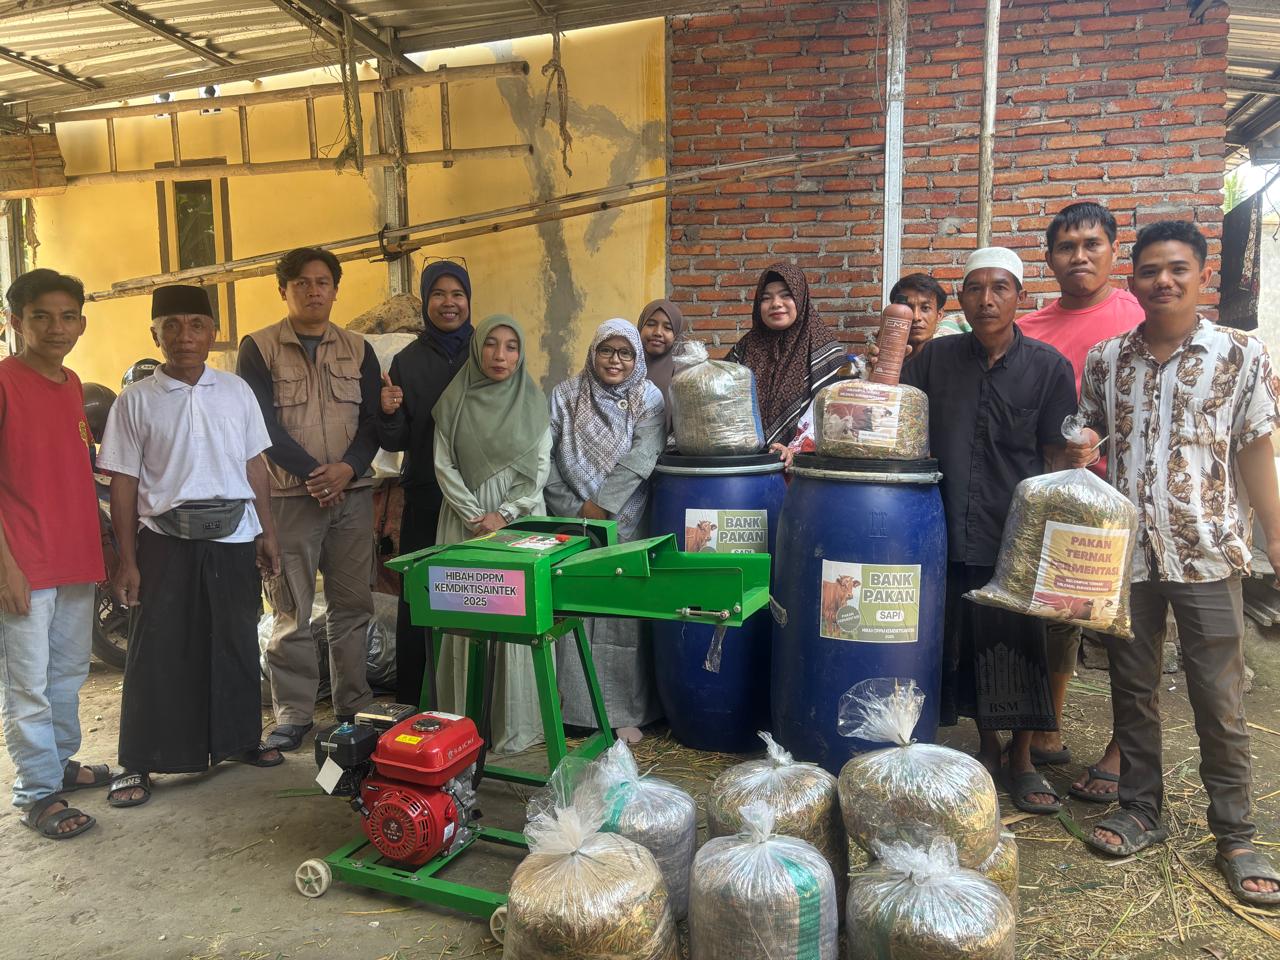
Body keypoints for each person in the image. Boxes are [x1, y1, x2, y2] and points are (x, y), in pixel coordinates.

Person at [1065, 221, 1280, 905]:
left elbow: (1254, 450)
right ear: (1132, 280)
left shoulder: (1241, 354)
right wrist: (1075, 450)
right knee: (1132, 689)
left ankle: (1236, 833)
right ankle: (1140, 809)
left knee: (1218, 698)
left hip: (1208, 551)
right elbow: (1087, 432)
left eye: (1177, 269)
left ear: (1201, 275)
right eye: (1151, 269)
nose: (1163, 280)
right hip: (1127, 557)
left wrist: (1276, 537)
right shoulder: (1106, 359)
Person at [900, 247, 1077, 815]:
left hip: (1015, 532)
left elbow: (1055, 456)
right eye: (975, 288)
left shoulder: (1048, 366)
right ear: (965, 299)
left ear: (1019, 296)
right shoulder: (934, 362)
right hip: (945, 526)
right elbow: (905, 431)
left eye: (1000, 287)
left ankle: (1023, 758)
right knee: (963, 641)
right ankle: (984, 746)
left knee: (1021, 643)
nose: (987, 299)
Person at [98, 285, 282, 808]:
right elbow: (125, 483)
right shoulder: (136, 400)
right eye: (171, 326)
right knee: (157, 649)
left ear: (213, 331)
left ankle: (240, 739)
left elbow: (255, 467)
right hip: (164, 540)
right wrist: (129, 559)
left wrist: (267, 532)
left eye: (196, 325)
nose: (184, 336)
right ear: (154, 334)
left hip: (233, 535)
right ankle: (138, 759)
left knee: (235, 641)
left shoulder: (236, 392)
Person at [1014, 201, 1144, 799]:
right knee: (1058, 617)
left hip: (1133, 497)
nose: (1080, 256)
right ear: (1050, 259)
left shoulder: (1141, 314)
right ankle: (1045, 726)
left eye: (1092, 244)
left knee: (1130, 628)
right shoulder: (1033, 327)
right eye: (1067, 247)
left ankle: (1124, 749)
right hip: (1063, 498)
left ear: (1114, 251)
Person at [237, 248, 380, 751]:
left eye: (323, 282)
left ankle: (353, 704)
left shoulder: (360, 349)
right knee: (291, 608)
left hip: (353, 495)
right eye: (301, 283)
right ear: (283, 290)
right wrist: (314, 475)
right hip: (289, 496)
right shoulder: (258, 347)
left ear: (336, 289)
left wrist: (347, 470)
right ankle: (293, 713)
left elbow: (372, 423)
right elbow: (260, 426)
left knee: (352, 604)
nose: (313, 291)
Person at [0, 269, 109, 839]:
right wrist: (7, 568)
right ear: (14, 321)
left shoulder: (71, 384)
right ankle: (38, 793)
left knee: (67, 674)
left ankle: (59, 763)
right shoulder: (3, 382)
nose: (55, 327)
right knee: (27, 684)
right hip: (24, 562)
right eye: (40, 316)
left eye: (67, 316)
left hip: (74, 556)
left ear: (82, 324)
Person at [432, 315, 552, 753]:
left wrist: (502, 513)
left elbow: (539, 470)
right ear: (476, 348)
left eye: (511, 346)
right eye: (491, 345)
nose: (500, 356)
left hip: (516, 523)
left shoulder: (534, 402)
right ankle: (464, 724)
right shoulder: (453, 400)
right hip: (463, 523)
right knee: (466, 612)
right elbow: (442, 464)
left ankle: (511, 723)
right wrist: (473, 513)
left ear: (520, 355)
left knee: (515, 613)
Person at [547, 319, 665, 744]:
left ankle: (624, 713)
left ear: (636, 358)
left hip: (630, 520)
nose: (615, 360)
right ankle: (576, 712)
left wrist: (605, 507)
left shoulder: (647, 397)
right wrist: (578, 509)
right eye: (606, 351)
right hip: (574, 520)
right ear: (592, 352)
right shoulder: (565, 394)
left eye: (625, 353)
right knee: (576, 608)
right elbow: (548, 459)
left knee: (622, 617)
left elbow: (644, 455)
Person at [376, 260, 474, 708]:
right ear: (426, 301)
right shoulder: (407, 361)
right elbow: (396, 441)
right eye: (439, 294)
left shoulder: (484, 348)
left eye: (457, 294)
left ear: (469, 300)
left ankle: (471, 699)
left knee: (477, 595)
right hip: (427, 496)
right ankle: (413, 700)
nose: (449, 303)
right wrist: (390, 412)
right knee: (421, 598)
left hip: (480, 503)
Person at [725, 263, 845, 463]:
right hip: (746, 468)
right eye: (766, 298)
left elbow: (838, 420)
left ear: (800, 298)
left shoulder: (824, 351)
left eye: (785, 295)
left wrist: (797, 450)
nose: (776, 303)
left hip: (805, 472)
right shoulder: (745, 348)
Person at [636, 298, 688, 434]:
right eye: (651, 324)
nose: (658, 332)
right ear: (640, 327)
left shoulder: (685, 372)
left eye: (667, 328)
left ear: (676, 335)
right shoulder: (624, 366)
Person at [888, 273, 948, 350]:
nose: (915, 317)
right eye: (907, 308)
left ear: (939, 315)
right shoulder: (885, 356)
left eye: (925, 308)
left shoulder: (951, 357)